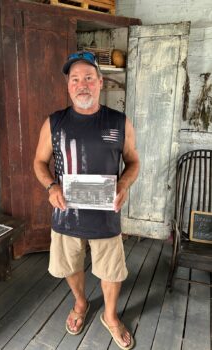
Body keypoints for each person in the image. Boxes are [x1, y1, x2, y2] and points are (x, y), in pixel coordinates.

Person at [34, 51, 140, 350]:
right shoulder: (54, 123)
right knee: (71, 265)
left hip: (106, 214)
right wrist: (52, 186)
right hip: (67, 215)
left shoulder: (119, 122)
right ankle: (81, 303)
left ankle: (110, 315)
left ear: (100, 82)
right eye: (76, 79)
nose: (82, 84)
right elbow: (39, 163)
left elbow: (133, 162)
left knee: (111, 270)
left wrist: (123, 183)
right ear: (68, 85)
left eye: (89, 78)